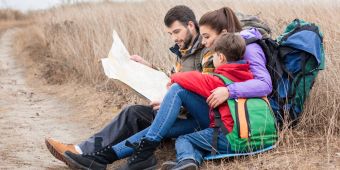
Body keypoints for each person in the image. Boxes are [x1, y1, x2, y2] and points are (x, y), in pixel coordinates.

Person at [62, 6, 272, 170]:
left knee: (175, 96)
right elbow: (194, 80)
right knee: (155, 122)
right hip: (205, 113)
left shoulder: (237, 53)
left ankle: (135, 154)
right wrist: (151, 69)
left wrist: (226, 90)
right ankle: (103, 157)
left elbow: (260, 84)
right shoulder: (215, 53)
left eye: (207, 37)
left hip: (217, 118)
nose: (205, 41)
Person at [45, 5, 213, 164]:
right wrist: (148, 66)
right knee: (132, 112)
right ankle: (82, 150)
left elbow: (205, 92)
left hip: (190, 118)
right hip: (174, 111)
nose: (174, 38)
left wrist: (171, 104)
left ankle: (100, 157)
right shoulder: (182, 52)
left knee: (145, 116)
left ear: (191, 25)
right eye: (170, 34)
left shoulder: (206, 51)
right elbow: (172, 78)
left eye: (177, 32)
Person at [162, 32, 251, 170]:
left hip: (230, 138)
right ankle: (189, 162)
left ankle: (185, 159)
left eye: (214, 55)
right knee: (199, 143)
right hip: (249, 135)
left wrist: (174, 77)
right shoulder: (248, 76)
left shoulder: (218, 80)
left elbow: (193, 78)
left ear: (220, 57)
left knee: (184, 139)